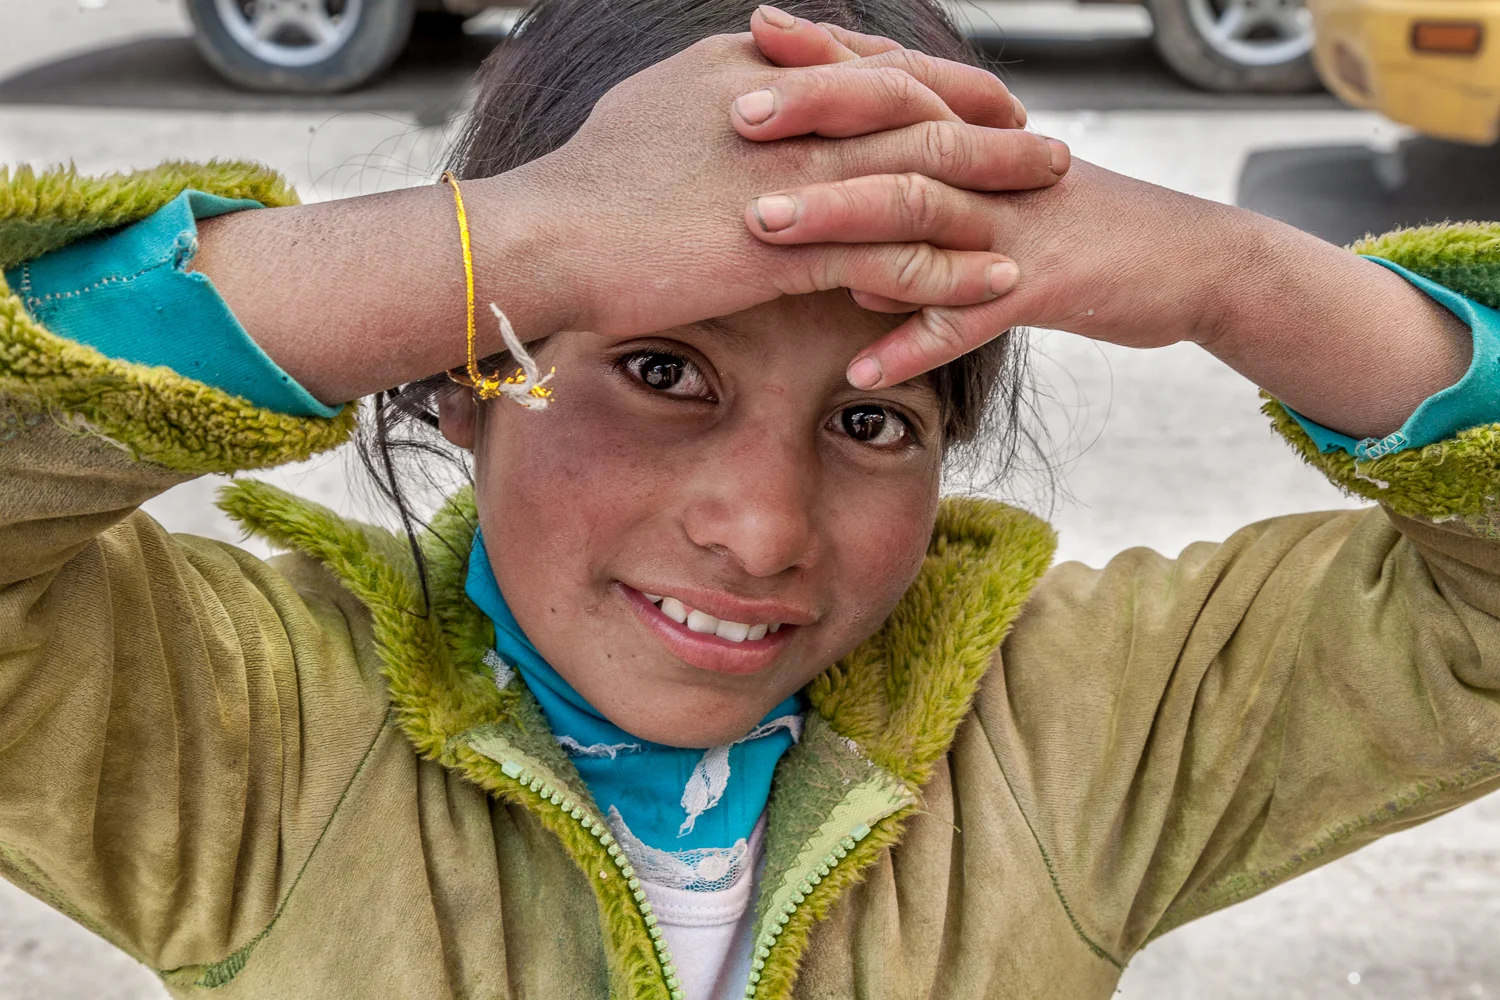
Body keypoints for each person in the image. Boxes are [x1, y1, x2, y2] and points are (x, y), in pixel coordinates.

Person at [0, 1, 1497, 999]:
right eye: (660, 369)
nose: (764, 529)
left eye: (869, 415)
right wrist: (505, 240)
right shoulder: (249, 730)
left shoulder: (1079, 726)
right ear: (457, 377)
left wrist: (1240, 276)